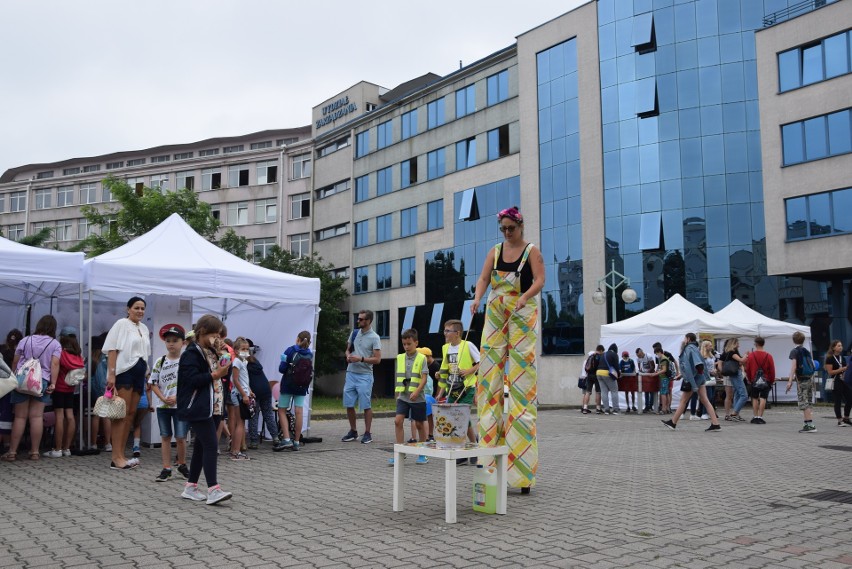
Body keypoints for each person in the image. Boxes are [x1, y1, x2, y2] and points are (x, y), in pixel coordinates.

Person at [471, 206, 545, 493]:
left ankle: (521, 473)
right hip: (496, 311)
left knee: (520, 385)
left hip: (522, 312)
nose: (506, 232)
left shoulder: (531, 252)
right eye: (502, 228)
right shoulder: (495, 251)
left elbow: (540, 279)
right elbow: (484, 279)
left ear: (520, 225)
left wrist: (525, 297)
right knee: (488, 381)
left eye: (510, 228)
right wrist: (477, 298)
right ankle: (488, 464)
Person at [177, 314, 232, 505]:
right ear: (202, 333)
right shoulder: (191, 353)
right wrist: (215, 374)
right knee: (211, 445)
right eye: (214, 334)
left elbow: (225, 374)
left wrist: (225, 356)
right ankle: (213, 489)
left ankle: (190, 487)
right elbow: (192, 380)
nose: (217, 339)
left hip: (214, 405)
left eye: (220, 335)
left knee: (201, 446)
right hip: (198, 406)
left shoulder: (213, 351)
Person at [2, 316, 61, 462]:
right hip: (42, 381)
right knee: (36, 417)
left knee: (20, 417)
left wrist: (15, 377)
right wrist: (53, 383)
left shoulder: (25, 340)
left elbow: (15, 362)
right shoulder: (55, 344)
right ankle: (34, 452)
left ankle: (12, 452)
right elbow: (55, 365)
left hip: (22, 381)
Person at [103, 296, 151, 470]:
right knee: (120, 415)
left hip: (139, 374)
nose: (140, 311)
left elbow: (145, 353)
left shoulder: (144, 328)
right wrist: (111, 375)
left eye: (142, 308)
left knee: (131, 414)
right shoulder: (121, 324)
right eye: (136, 308)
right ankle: (116, 456)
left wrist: (147, 375)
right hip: (124, 373)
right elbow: (112, 349)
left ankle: (121, 454)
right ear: (128, 309)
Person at [436, 319, 480, 464]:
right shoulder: (445, 348)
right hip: (451, 388)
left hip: (467, 388)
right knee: (455, 419)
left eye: (448, 331)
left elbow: (481, 362)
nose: (445, 334)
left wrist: (469, 370)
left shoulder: (468, 345)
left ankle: (472, 447)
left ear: (458, 333)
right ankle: (466, 447)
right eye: (444, 331)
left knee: (462, 417)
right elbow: (445, 369)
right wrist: (440, 389)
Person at [149, 324, 190, 482]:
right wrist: (162, 397)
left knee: (181, 437)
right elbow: (153, 383)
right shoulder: (161, 361)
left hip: (180, 406)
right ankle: (166, 468)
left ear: (183, 342)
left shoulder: (186, 361)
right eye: (168, 341)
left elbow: (191, 384)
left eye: (175, 340)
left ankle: (182, 464)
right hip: (163, 406)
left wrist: (178, 397)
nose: (171, 343)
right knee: (165, 436)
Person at [661, 333, 721, 432]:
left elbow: (695, 365)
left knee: (683, 401)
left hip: (693, 379)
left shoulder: (689, 348)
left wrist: (690, 379)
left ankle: (673, 422)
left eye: (685, 338)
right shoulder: (695, 348)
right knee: (705, 400)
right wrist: (682, 375)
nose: (684, 340)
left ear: (688, 339)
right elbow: (695, 365)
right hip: (699, 378)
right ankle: (715, 423)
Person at [388, 328, 429, 466]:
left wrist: (417, 391)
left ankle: (423, 453)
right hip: (403, 397)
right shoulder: (400, 357)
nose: (406, 347)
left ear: (416, 343)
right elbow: (398, 376)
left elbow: (424, 378)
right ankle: (400, 453)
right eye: (404, 344)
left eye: (409, 344)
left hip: (418, 397)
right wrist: (397, 393)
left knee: (418, 424)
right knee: (398, 421)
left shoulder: (422, 358)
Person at [44, 329, 85, 458]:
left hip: (59, 387)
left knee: (59, 417)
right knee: (70, 416)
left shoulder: (61, 352)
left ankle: (57, 449)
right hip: (71, 389)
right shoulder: (78, 355)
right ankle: (67, 448)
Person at [342, 310, 381, 444]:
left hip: (365, 375)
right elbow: (348, 349)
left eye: (362, 319)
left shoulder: (375, 337)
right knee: (349, 403)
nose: (358, 321)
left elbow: (377, 359)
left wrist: (361, 358)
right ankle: (353, 431)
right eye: (358, 319)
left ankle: (367, 433)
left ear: (369, 321)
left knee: (365, 405)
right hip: (351, 373)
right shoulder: (354, 333)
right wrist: (348, 355)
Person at [276, 331, 313, 451]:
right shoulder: (309, 354)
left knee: (282, 410)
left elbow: (282, 369)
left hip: (288, 384)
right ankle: (296, 441)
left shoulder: (290, 350)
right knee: (299, 412)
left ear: (298, 339)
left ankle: (286, 439)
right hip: (302, 386)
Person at [245, 338, 278, 450]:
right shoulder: (255, 361)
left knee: (253, 416)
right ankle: (275, 437)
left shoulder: (243, 364)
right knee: (268, 414)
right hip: (266, 390)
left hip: (254, 391)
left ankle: (254, 442)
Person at [786, 331, 818, 433]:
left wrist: (790, 381)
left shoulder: (794, 351)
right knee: (808, 401)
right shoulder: (806, 351)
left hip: (801, 380)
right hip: (809, 378)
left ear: (793, 340)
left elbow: (794, 367)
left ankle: (810, 425)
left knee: (804, 402)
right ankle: (806, 423)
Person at [228, 337, 252, 460]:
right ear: (236, 350)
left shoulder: (244, 362)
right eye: (243, 349)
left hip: (242, 393)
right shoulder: (237, 361)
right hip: (238, 394)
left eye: (247, 349)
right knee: (240, 423)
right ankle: (236, 451)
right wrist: (243, 394)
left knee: (241, 423)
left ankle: (235, 450)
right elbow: (235, 380)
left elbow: (244, 379)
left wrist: (249, 391)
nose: (246, 351)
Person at [0, 329, 23, 452]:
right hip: (11, 387)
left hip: (0, 386)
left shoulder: (1, 349)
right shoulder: (19, 353)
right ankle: (7, 444)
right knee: (7, 416)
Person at [88, 332, 111, 451]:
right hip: (107, 390)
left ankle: (93, 443)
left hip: (94, 392)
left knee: (96, 416)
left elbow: (86, 376)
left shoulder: (91, 360)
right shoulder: (106, 359)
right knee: (106, 416)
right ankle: (108, 444)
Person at [744, 337, 775, 424]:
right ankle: (760, 416)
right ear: (763, 344)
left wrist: (750, 379)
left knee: (754, 398)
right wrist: (771, 380)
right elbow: (772, 370)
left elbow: (748, 369)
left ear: (755, 344)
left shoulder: (751, 356)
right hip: (766, 380)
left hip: (754, 379)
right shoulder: (769, 356)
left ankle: (755, 416)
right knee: (763, 398)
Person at [719, 338, 748, 422]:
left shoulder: (731, 352)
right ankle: (731, 414)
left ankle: (734, 413)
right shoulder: (731, 352)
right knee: (732, 395)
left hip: (732, 374)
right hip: (731, 374)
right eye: (738, 342)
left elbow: (739, 363)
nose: (739, 344)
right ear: (734, 343)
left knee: (736, 394)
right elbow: (741, 361)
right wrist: (746, 355)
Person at [823, 339, 850, 427]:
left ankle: (846, 417)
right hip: (835, 381)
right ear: (834, 348)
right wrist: (841, 369)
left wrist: (844, 373)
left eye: (841, 345)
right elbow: (830, 372)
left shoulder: (842, 358)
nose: (840, 347)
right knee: (837, 401)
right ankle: (839, 420)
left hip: (842, 380)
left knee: (850, 398)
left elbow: (845, 369)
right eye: (838, 346)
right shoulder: (830, 358)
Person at [414, 347, 438, 442]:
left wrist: (437, 394)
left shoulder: (435, 366)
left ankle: (428, 436)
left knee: (427, 416)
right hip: (430, 395)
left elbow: (439, 382)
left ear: (427, 357)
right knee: (429, 416)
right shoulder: (425, 366)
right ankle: (429, 435)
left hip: (431, 395)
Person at [696, 340, 718, 420]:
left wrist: (715, 370)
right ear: (705, 347)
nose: (711, 347)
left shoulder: (711, 356)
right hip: (705, 378)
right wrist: (710, 371)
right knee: (708, 396)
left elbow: (713, 365)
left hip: (712, 377)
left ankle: (704, 412)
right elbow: (702, 368)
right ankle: (704, 413)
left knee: (711, 396)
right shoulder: (702, 356)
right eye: (710, 345)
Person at [596, 344, 621, 414]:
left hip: (598, 373)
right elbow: (616, 366)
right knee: (614, 391)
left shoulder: (603, 354)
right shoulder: (614, 354)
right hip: (607, 373)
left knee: (604, 392)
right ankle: (616, 409)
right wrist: (618, 375)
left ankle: (606, 410)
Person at [580, 347, 603, 414]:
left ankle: (585, 408)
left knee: (587, 392)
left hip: (589, 376)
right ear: (601, 350)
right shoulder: (599, 357)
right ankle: (598, 408)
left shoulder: (590, 357)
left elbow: (586, 368)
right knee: (598, 392)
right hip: (596, 375)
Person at [652, 346, 674, 414]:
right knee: (666, 393)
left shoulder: (663, 359)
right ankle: (667, 408)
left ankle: (663, 409)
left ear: (659, 352)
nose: (656, 355)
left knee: (663, 393)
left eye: (656, 353)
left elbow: (664, 370)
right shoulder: (665, 358)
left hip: (664, 378)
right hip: (665, 378)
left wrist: (656, 374)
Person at [635, 348, 656, 413]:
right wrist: (641, 371)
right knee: (646, 391)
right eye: (637, 356)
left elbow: (653, 366)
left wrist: (648, 373)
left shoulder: (648, 356)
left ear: (641, 352)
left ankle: (650, 406)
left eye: (639, 355)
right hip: (644, 375)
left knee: (651, 391)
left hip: (650, 375)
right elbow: (639, 366)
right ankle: (647, 406)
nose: (639, 357)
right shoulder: (638, 358)